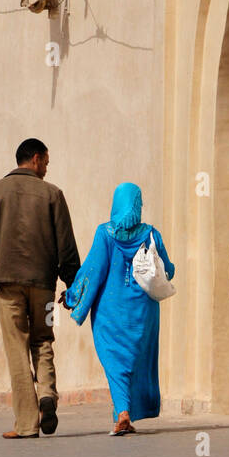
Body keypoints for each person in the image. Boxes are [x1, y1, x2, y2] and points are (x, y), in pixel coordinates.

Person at [0, 138, 80, 440]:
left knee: (17, 349)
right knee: (43, 340)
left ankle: (27, 424)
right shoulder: (53, 195)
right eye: (46, 160)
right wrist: (73, 284)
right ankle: (47, 395)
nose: (47, 167)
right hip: (43, 286)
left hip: (8, 287)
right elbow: (66, 245)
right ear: (35, 158)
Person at [62, 183, 174, 436]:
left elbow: (93, 270)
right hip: (142, 313)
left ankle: (122, 412)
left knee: (115, 363)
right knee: (135, 360)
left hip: (109, 312)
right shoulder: (151, 234)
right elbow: (168, 269)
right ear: (138, 204)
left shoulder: (105, 233)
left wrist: (72, 297)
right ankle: (126, 412)